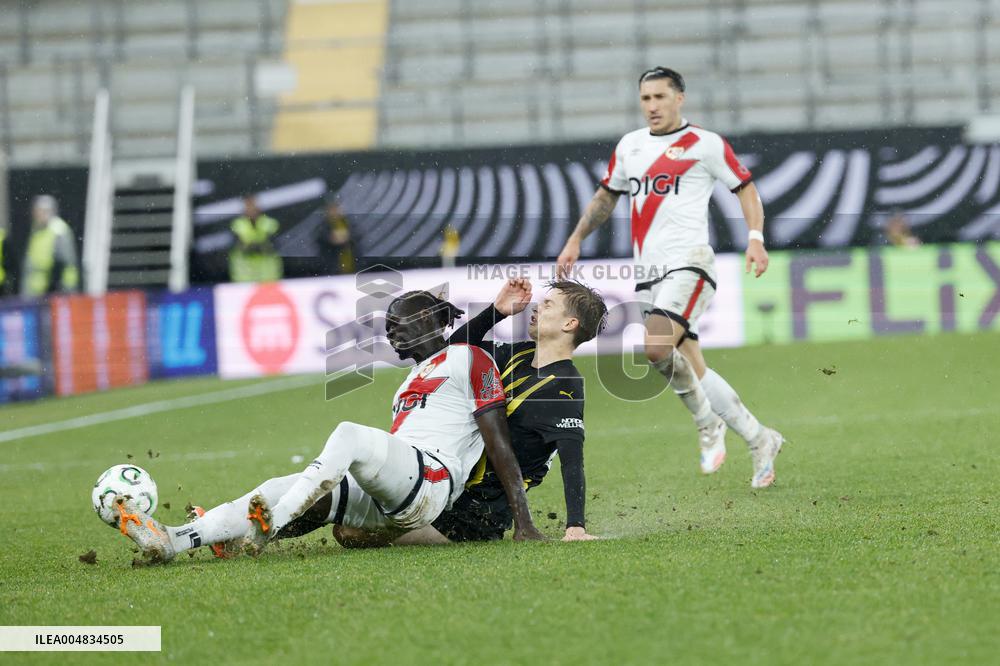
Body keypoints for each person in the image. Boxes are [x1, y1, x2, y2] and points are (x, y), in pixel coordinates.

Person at [114, 290, 545, 563]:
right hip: (400, 488)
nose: (392, 336)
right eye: (388, 329)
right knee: (280, 485)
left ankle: (272, 524)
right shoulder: (412, 379)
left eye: (400, 325)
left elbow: (498, 441)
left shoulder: (473, 358)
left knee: (349, 433)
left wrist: (523, 522)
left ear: (432, 321)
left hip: (433, 480)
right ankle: (175, 539)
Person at [556, 66, 784, 489]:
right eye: (645, 99)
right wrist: (575, 239)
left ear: (679, 98)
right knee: (693, 368)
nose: (652, 106)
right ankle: (760, 439)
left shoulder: (705, 143)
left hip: (691, 263)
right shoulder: (631, 146)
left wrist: (756, 238)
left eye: (660, 97)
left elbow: (745, 188)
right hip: (649, 275)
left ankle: (707, 425)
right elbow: (606, 196)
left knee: (657, 348)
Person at [20, 195, 79, 298]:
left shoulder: (58, 230)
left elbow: (64, 262)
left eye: (42, 211)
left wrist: (55, 286)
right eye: (37, 211)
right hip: (38, 290)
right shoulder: (36, 230)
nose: (38, 214)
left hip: (56, 289)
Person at [229, 194, 282, 282]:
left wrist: (252, 246)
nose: (251, 209)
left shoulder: (269, 223)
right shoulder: (237, 224)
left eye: (253, 205)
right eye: (248, 205)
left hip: (268, 275)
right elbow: (237, 247)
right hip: (244, 276)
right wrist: (259, 246)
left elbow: (275, 245)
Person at [315, 199, 356, 274]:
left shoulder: (349, 223)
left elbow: (357, 236)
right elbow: (322, 239)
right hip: (333, 271)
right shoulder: (323, 226)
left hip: (352, 269)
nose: (335, 211)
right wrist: (332, 238)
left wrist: (347, 237)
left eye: (336, 208)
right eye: (332, 209)